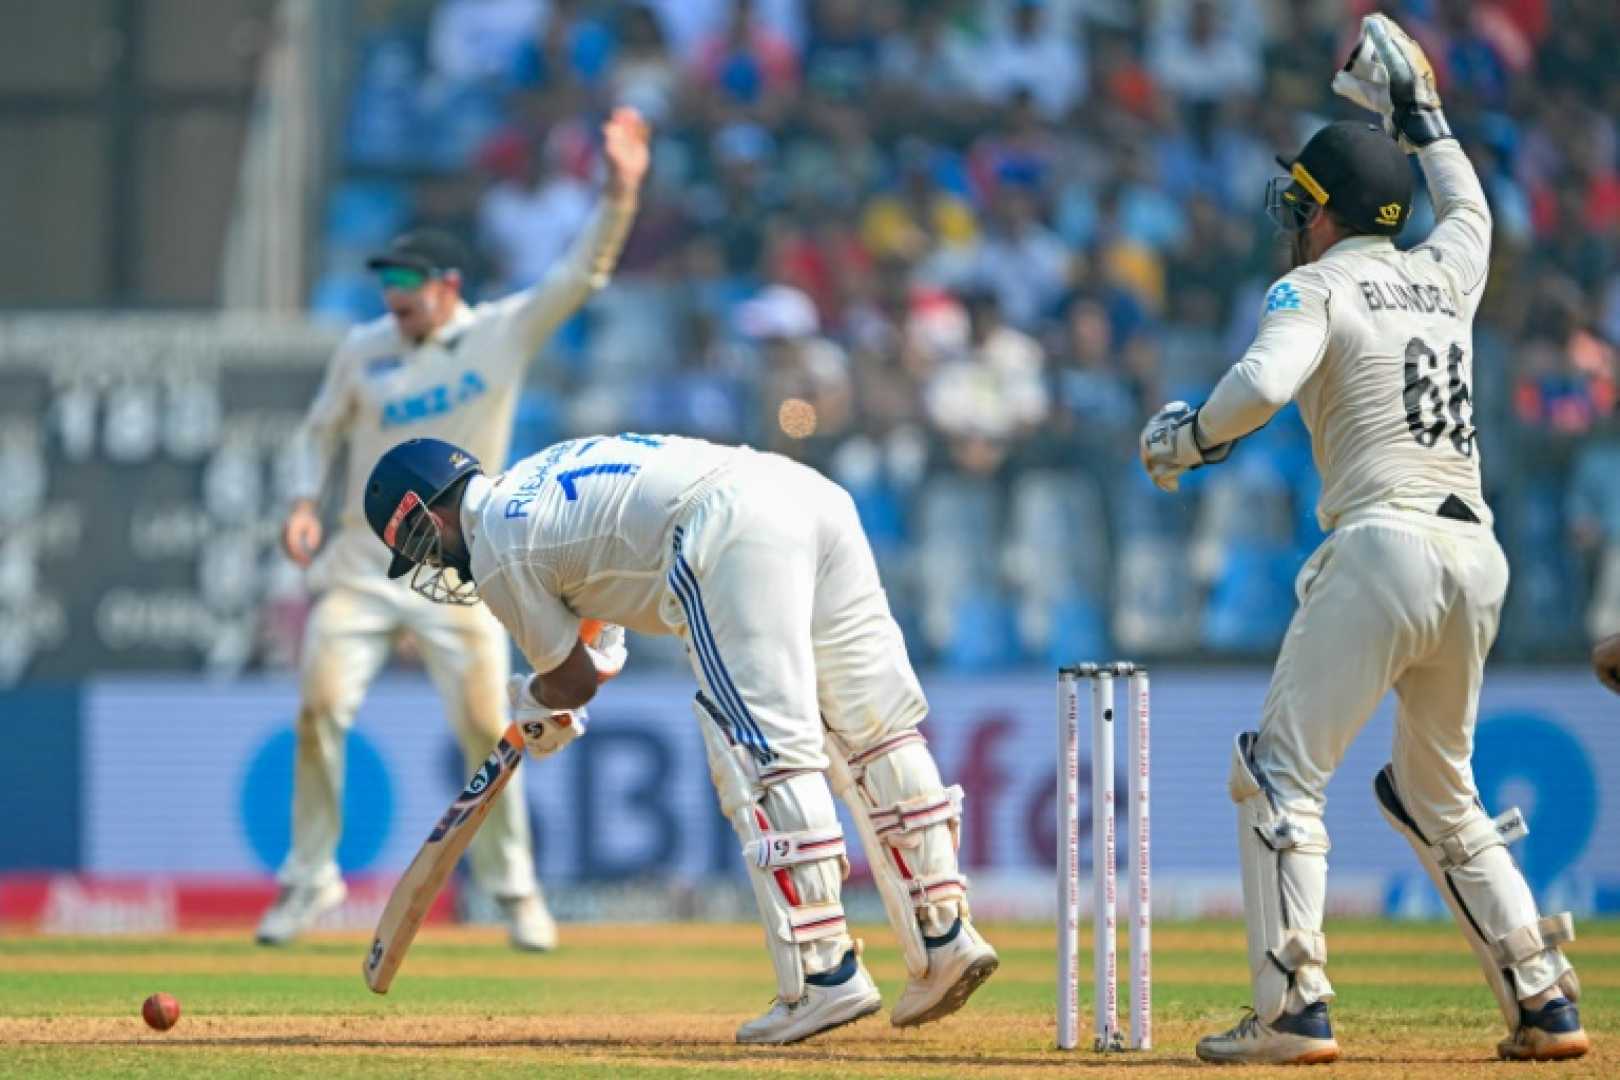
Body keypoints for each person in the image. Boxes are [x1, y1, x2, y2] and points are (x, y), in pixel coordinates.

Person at [1138, 15, 1588, 1064]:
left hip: (1380, 546)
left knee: (1277, 775)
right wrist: (1423, 114)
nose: (1290, 212)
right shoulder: (1450, 269)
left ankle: (1293, 1005)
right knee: (1440, 791)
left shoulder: (1316, 285)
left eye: (1304, 196)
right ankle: (1542, 995)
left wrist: (1189, 441)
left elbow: (1259, 383)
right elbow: (1469, 200)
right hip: (1477, 558)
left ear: (1328, 212)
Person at [360, 433, 999, 1045]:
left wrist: (536, 703)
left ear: (427, 509)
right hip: (807, 495)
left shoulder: (495, 548)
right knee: (876, 733)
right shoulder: (535, 476)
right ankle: (944, 936)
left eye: (419, 541)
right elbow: (603, 585)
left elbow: (571, 680)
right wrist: (577, 671)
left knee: (763, 755)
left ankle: (823, 973)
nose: (432, 560)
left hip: (727, 528)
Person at [258, 108, 649, 949]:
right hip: (364, 564)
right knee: (320, 705)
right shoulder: (364, 349)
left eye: (407, 288)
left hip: (471, 567)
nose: (392, 303)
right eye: (386, 290)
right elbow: (319, 431)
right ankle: (309, 878)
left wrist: (618, 197)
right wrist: (300, 503)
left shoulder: (498, 334)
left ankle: (514, 891)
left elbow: (578, 279)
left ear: (446, 285)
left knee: (486, 726)